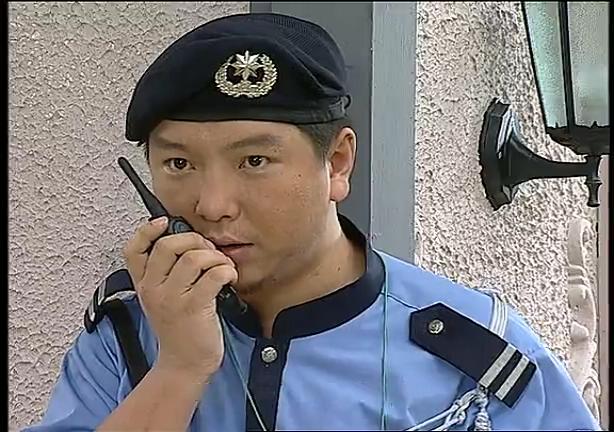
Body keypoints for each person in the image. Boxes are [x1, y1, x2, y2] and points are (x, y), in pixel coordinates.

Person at [24, 12, 600, 432]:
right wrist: (180, 368)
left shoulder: (469, 347)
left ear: (338, 163)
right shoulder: (127, 330)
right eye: (179, 164)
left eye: (255, 161)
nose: (213, 205)